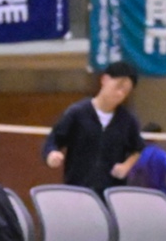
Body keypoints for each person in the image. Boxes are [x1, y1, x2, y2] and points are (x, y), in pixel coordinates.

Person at [44, 62, 142, 190]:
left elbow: (138, 149)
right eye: (118, 86)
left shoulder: (127, 120)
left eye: (125, 91)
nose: (120, 94)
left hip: (110, 192)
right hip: (77, 189)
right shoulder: (77, 113)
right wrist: (52, 154)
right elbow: (53, 140)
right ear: (104, 80)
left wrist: (126, 166)